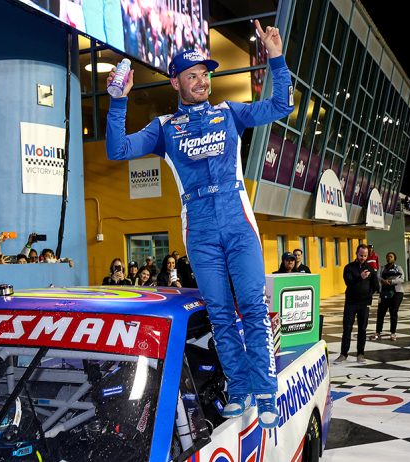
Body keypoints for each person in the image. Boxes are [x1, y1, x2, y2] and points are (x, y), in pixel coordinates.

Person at [105, 20, 292, 428]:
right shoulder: (164, 128)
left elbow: (281, 106)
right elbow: (117, 150)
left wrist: (276, 59)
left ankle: (265, 391)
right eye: (192, 76)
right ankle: (239, 389)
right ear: (175, 82)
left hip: (238, 221)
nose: (202, 81)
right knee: (220, 314)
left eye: (205, 74)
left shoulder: (229, 112)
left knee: (253, 307)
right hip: (200, 229)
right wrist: (118, 102)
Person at [334, 244, 379, 365]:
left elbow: (376, 285)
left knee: (362, 329)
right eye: (361, 255)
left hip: (364, 303)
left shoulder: (370, 268)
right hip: (351, 302)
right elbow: (349, 282)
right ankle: (343, 354)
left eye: (365, 255)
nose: (363, 258)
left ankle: (360, 354)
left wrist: (369, 295)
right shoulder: (349, 267)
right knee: (347, 328)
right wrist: (361, 277)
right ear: (356, 254)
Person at [371, 252, 404, 342]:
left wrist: (391, 281)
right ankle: (378, 332)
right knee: (380, 312)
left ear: (394, 258)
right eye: (387, 256)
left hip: (396, 292)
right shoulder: (382, 268)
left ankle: (393, 333)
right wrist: (383, 281)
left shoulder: (398, 268)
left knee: (393, 312)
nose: (389, 258)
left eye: (391, 256)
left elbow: (402, 278)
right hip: (384, 292)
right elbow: (378, 276)